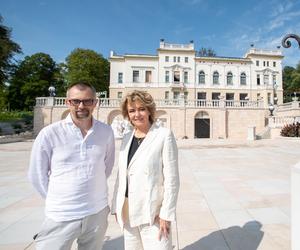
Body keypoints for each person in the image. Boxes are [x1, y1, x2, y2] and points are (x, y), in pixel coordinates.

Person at [28, 82, 115, 250]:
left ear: (95, 103)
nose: (81, 106)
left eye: (88, 101)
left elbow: (107, 167)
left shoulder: (106, 132)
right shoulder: (50, 133)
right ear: (68, 102)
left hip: (97, 212)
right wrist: (59, 198)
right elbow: (37, 175)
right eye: (76, 101)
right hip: (61, 214)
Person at [111, 90, 179, 250]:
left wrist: (166, 213)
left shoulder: (163, 135)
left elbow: (172, 179)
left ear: (149, 110)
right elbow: (122, 174)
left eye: (141, 109)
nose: (137, 114)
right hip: (127, 209)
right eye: (132, 110)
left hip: (152, 211)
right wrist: (116, 204)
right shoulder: (127, 137)